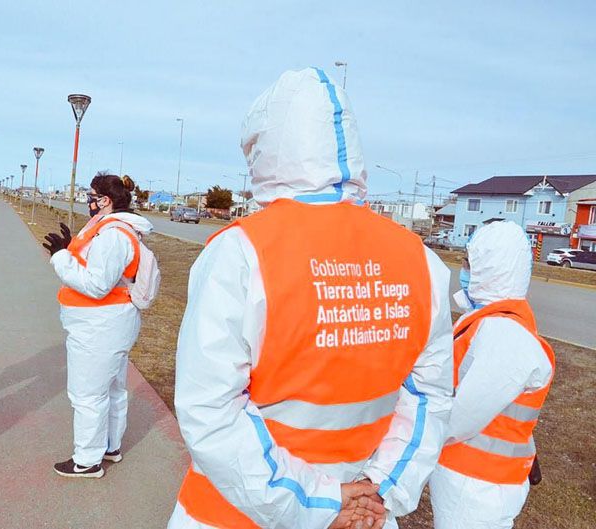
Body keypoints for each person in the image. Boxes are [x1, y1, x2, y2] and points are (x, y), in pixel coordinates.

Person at [167, 68, 454, 529]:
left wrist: (319, 504)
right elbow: (429, 399)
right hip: (368, 508)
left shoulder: (240, 252)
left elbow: (210, 412)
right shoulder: (420, 260)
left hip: (241, 512)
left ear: (266, 148)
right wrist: (382, 490)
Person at [429, 221, 554, 529]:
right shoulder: (492, 324)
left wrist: (416, 438)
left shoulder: (505, 335)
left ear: (492, 268)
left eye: (469, 262)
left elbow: (463, 416)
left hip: (477, 487)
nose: (464, 269)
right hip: (474, 482)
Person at [42, 173, 153, 478]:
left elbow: (96, 285)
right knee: (112, 389)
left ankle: (87, 460)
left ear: (105, 200)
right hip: (107, 324)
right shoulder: (111, 229)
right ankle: (110, 447)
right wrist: (69, 250)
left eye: (91, 196)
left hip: (99, 326)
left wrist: (61, 258)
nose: (87, 201)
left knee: (87, 395)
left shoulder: (114, 235)